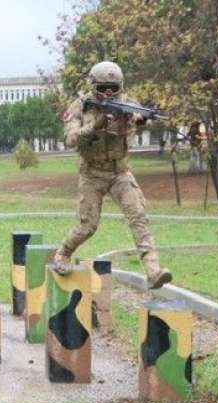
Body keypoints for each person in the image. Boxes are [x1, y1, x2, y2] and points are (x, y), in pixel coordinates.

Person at [53, 61, 172, 289]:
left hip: (119, 172)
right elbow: (70, 140)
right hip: (92, 174)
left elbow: (137, 117)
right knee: (88, 226)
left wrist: (141, 119)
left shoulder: (126, 103)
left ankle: (153, 270)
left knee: (138, 216)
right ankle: (62, 254)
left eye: (113, 88)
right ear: (94, 85)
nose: (108, 93)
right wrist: (94, 126)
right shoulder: (80, 106)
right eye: (103, 88)